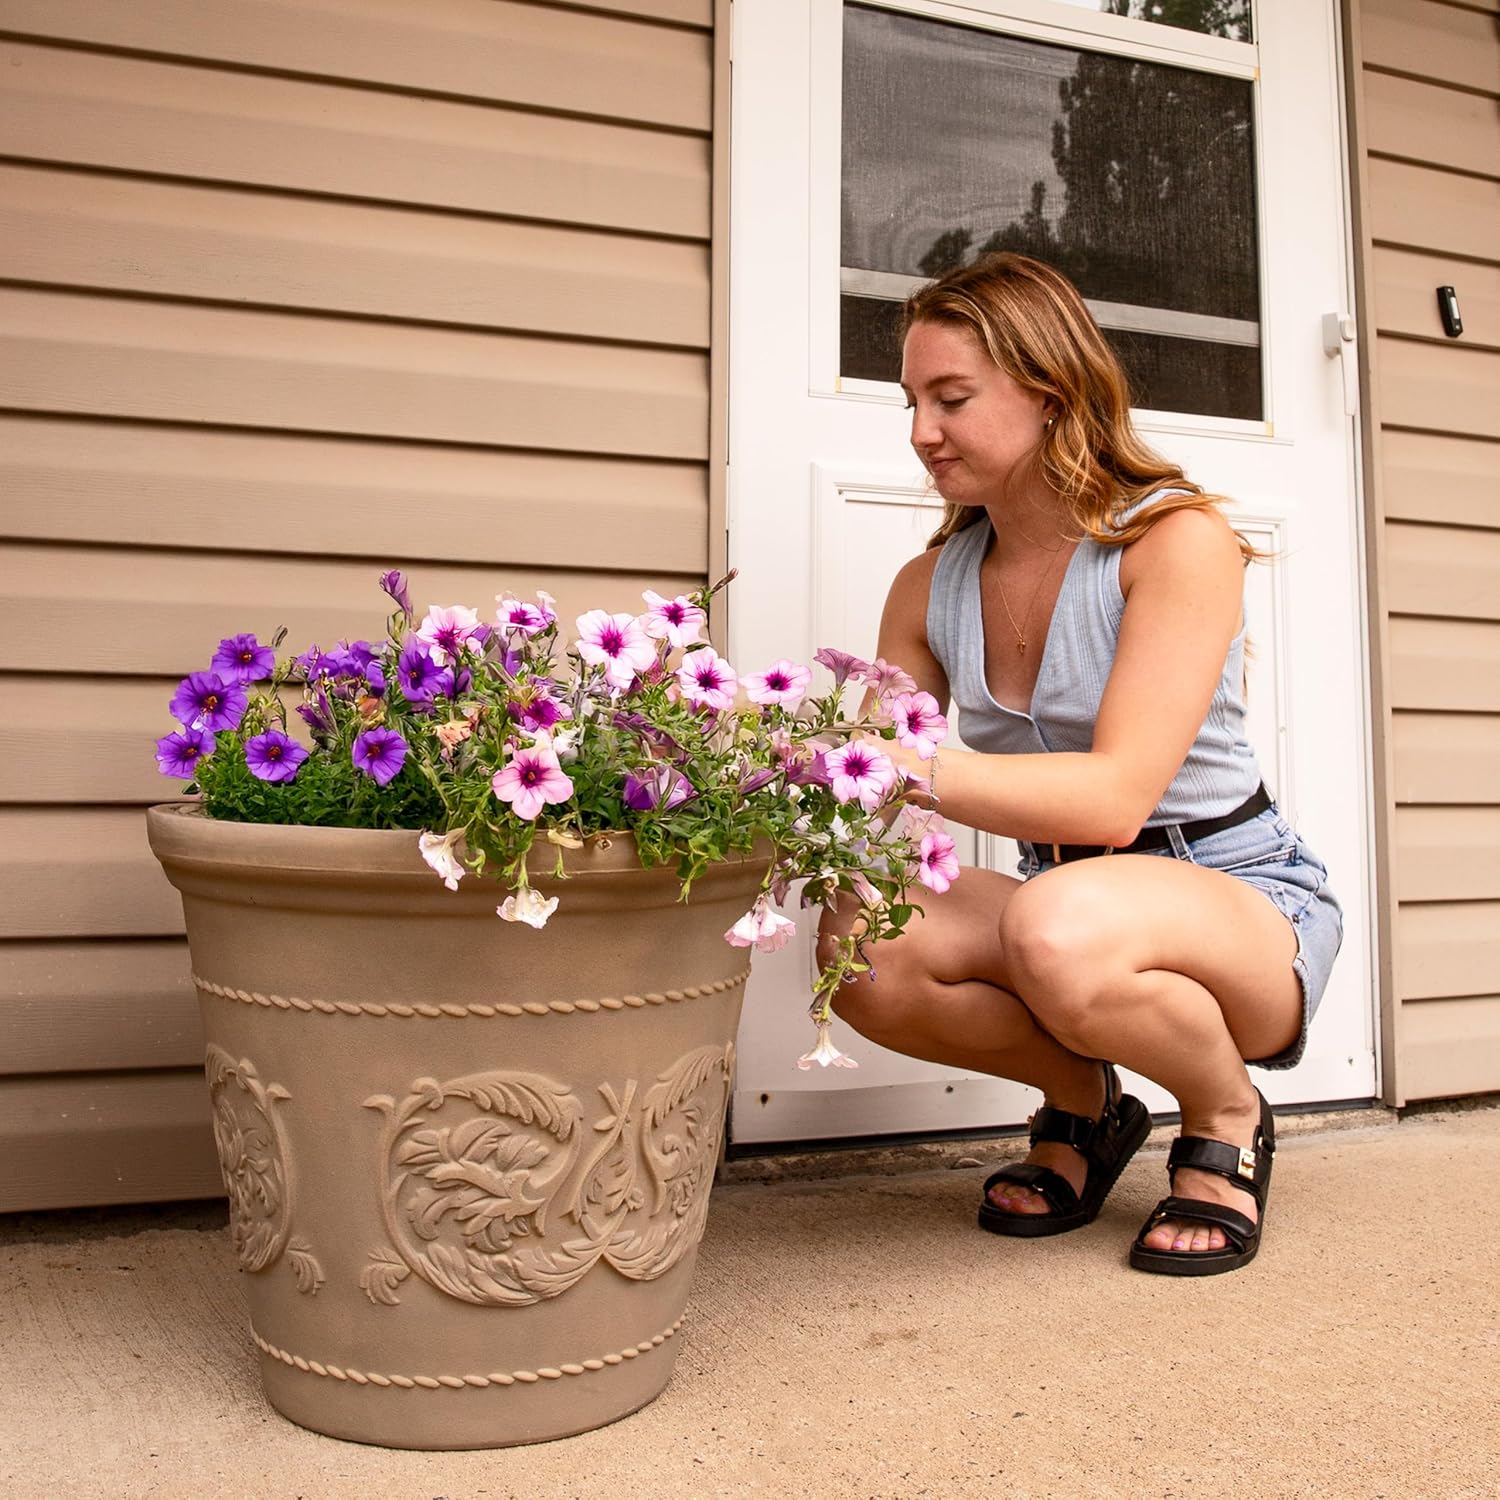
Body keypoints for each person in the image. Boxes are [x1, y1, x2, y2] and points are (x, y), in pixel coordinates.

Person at [819, 253, 1342, 1276]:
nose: (921, 432)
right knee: (863, 942)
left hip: (1236, 895)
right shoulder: (928, 586)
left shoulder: (1174, 542)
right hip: (1061, 910)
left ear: (1051, 395)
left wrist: (892, 765)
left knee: (1054, 921)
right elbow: (871, 798)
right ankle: (1086, 1104)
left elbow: (1114, 798)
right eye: (912, 402)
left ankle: (1225, 1110)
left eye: (952, 399)